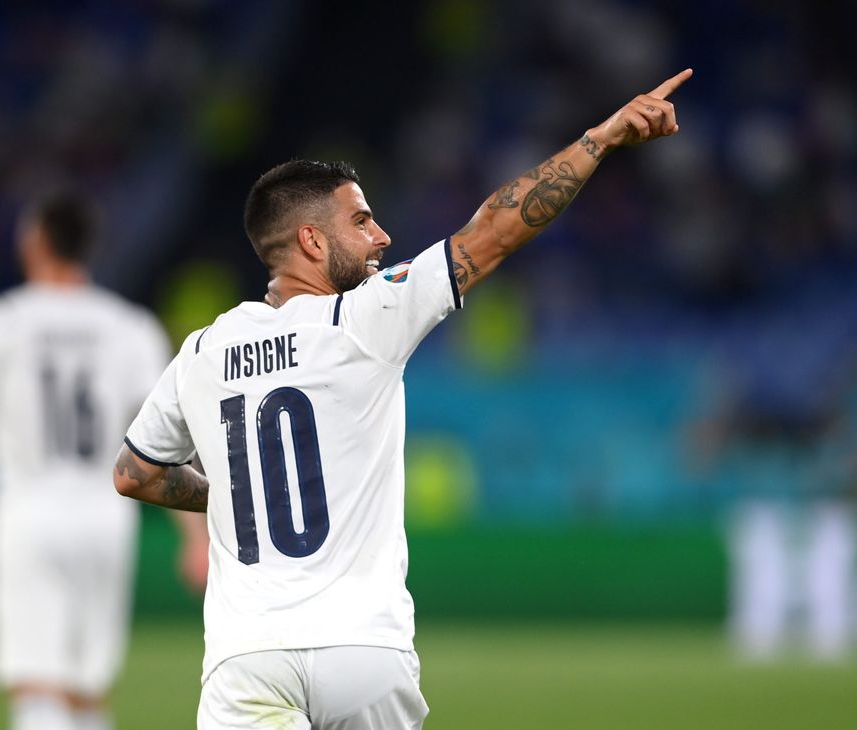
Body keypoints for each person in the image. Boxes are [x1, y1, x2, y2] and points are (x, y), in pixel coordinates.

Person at [113, 69, 694, 728]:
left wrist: (234, 495)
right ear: (310, 240)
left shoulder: (201, 351)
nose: (382, 236)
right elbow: (496, 230)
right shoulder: (364, 318)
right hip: (364, 649)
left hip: (247, 655)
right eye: (361, 221)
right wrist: (601, 137)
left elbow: (135, 473)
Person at [0, 192, 209, 730]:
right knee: (85, 689)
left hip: (28, 511)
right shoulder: (131, 327)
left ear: (35, 242)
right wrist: (196, 538)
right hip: (104, 519)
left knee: (37, 686)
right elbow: (166, 448)